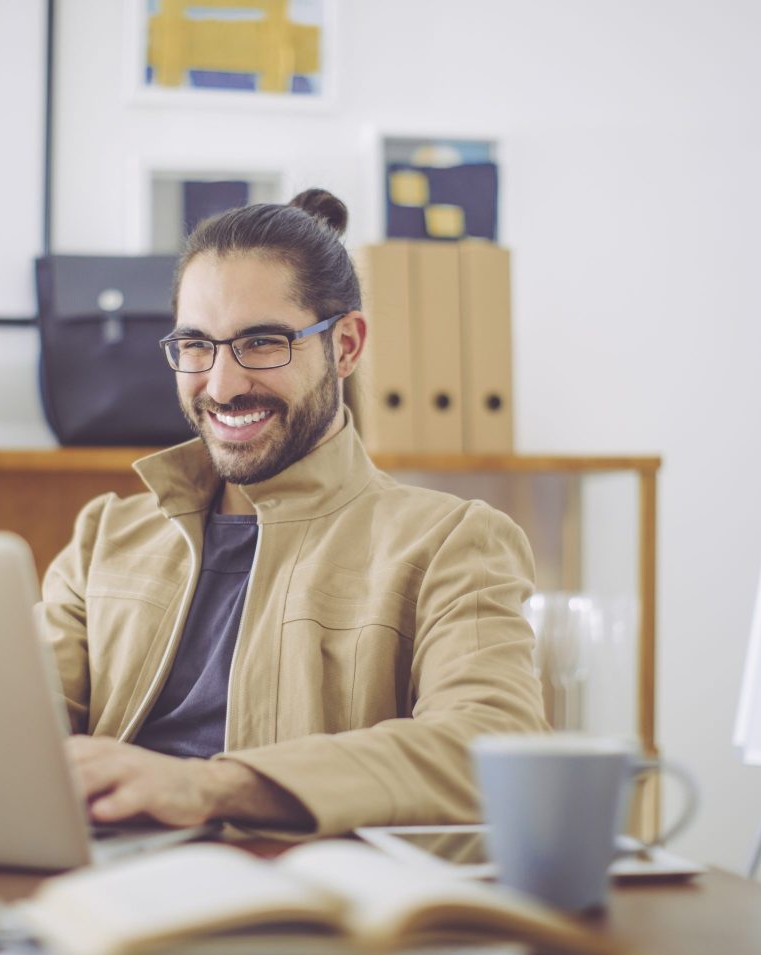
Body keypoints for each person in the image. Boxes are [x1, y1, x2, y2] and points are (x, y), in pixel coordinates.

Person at [42, 188, 546, 837]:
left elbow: (490, 746)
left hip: (306, 905)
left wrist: (206, 787)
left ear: (346, 345)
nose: (221, 386)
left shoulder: (452, 542)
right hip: (104, 888)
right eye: (196, 345)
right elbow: (10, 728)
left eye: (261, 342)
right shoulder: (105, 537)